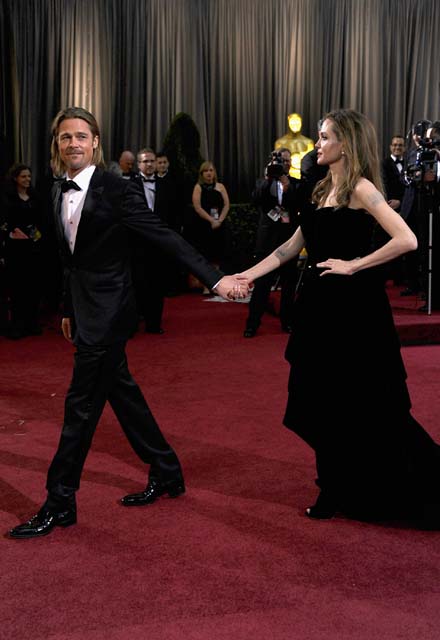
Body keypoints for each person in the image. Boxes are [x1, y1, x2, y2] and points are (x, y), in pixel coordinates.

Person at [8, 107, 247, 539]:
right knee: (122, 395)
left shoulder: (117, 188)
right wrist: (68, 309)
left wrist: (216, 278)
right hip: (84, 310)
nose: (74, 144)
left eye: (81, 136)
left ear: (95, 142)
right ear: (56, 144)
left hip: (111, 312)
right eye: (65, 137)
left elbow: (163, 234)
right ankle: (166, 469)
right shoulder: (54, 189)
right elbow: (69, 260)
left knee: (80, 408)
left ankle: (60, 501)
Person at [237, 109, 440, 526]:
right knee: (320, 400)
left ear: (345, 144)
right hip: (318, 311)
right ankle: (334, 483)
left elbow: (407, 239)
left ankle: (343, 487)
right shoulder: (319, 189)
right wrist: (246, 275)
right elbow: (289, 248)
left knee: (363, 405)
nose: (318, 144)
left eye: (325, 136)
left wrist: (354, 264)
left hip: (355, 314)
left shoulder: (362, 189)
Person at [243, 148, 301, 337]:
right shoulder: (263, 182)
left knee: (289, 285)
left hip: (289, 242)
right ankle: (252, 324)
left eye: (287, 160)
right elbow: (255, 200)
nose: (284, 163)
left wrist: (286, 184)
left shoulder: (296, 183)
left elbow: (299, 204)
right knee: (262, 284)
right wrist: (269, 178)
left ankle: (287, 322)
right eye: (280, 160)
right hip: (267, 242)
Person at [2, 163, 44, 339]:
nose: (27, 179)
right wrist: (11, 232)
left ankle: (32, 322)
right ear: (15, 179)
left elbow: (42, 220)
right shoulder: (7, 199)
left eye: (29, 176)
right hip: (15, 249)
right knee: (17, 287)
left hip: (33, 247)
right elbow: (4, 222)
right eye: (23, 176)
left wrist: (36, 236)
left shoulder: (35, 197)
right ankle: (17, 325)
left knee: (33, 286)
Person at [190, 161, 231, 294]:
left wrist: (219, 220)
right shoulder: (198, 187)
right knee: (205, 256)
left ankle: (216, 285)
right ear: (202, 174)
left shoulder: (220, 186)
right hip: (204, 226)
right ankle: (206, 286)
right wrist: (211, 220)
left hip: (219, 226)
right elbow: (197, 207)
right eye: (206, 171)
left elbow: (226, 205)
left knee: (217, 256)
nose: (209, 173)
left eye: (211, 170)